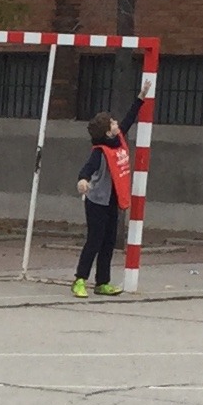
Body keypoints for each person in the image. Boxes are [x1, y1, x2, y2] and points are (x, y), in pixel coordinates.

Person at [74, 113, 133, 298]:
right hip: (97, 202)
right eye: (113, 123)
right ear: (108, 132)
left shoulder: (117, 142)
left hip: (112, 201)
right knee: (94, 241)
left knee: (108, 242)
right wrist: (83, 180)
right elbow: (87, 169)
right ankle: (80, 279)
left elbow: (128, 120)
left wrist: (139, 101)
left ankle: (102, 282)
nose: (117, 123)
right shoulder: (99, 152)